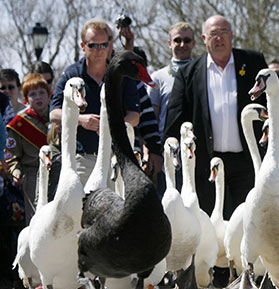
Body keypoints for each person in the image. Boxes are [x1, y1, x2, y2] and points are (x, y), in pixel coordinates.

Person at [164, 15, 267, 218]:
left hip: (246, 162)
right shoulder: (188, 73)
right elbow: (174, 117)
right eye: (213, 34)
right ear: (203, 38)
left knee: (248, 220)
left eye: (224, 33)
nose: (219, 38)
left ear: (232, 35)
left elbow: (269, 105)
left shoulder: (253, 63)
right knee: (211, 223)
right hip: (206, 164)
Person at [49, 19, 140, 185]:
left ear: (110, 45)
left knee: (118, 208)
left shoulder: (121, 74)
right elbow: (54, 113)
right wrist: (81, 120)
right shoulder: (72, 74)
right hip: (82, 160)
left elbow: (134, 116)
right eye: (93, 45)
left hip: (116, 158)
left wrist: (111, 127)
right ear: (83, 46)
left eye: (103, 45)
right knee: (81, 210)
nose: (99, 50)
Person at [118, 26, 163, 181]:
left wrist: (154, 152)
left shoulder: (138, 87)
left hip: (131, 156)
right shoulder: (108, 80)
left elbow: (149, 122)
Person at [4, 74, 51, 224]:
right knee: (37, 221)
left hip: (59, 172)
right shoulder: (18, 124)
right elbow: (10, 154)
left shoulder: (58, 116)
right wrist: (16, 171)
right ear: (26, 99)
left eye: (42, 92)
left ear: (49, 95)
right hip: (33, 176)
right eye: (32, 94)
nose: (38, 97)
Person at [148, 22, 196, 137]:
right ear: (169, 43)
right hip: (166, 144)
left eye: (187, 40)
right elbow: (152, 116)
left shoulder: (203, 74)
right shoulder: (157, 78)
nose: (182, 44)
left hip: (198, 144)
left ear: (194, 43)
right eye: (177, 40)